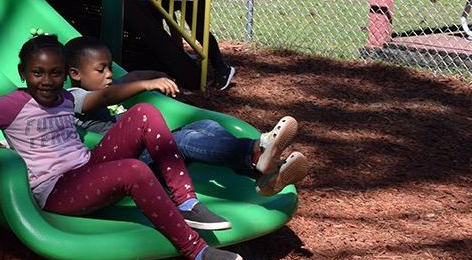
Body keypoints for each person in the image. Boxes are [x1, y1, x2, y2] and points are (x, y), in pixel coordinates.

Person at [0, 33, 244, 260]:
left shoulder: (68, 98)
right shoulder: (12, 104)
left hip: (86, 170)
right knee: (133, 170)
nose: (47, 81)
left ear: (66, 74)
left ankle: (188, 202)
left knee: (145, 112)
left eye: (55, 73)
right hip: (56, 191)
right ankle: (199, 253)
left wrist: (145, 80)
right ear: (23, 73)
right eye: (37, 73)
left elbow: (110, 94)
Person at [64, 36, 310, 197]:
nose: (108, 74)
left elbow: (127, 78)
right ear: (75, 74)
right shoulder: (70, 98)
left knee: (206, 124)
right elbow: (108, 97)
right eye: (101, 69)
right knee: (181, 141)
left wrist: (157, 74)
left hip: (141, 155)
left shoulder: (103, 85)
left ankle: (262, 172)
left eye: (109, 66)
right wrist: (147, 84)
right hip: (124, 169)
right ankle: (255, 151)